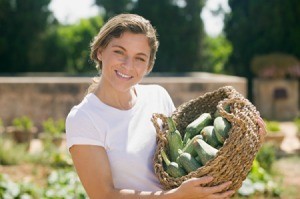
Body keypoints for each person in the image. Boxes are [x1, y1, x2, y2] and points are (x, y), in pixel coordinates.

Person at [66, 13, 266, 199]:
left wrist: (245, 142)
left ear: (149, 66)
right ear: (100, 51)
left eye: (140, 58)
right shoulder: (84, 118)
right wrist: (175, 196)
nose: (128, 65)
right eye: (119, 52)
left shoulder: (157, 96)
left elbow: (181, 160)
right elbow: (103, 194)